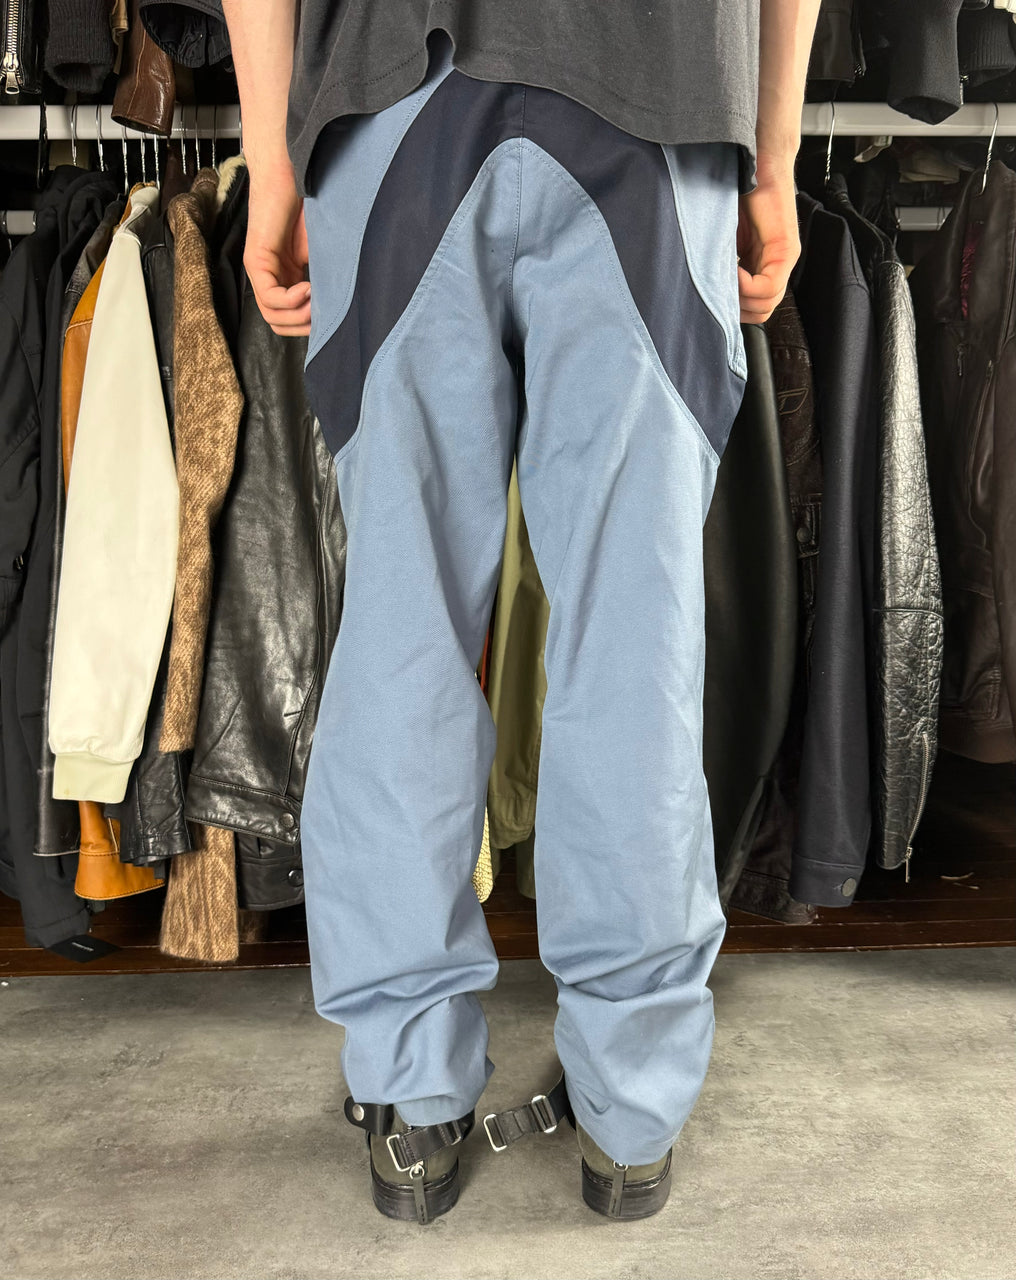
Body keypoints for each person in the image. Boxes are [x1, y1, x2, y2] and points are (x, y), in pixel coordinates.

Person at [221, 0, 822, 1225]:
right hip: (658, 97)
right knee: (633, 636)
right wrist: (774, 155)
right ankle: (629, 1115)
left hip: (393, 91)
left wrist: (272, 156)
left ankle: (411, 1098)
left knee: (402, 631)